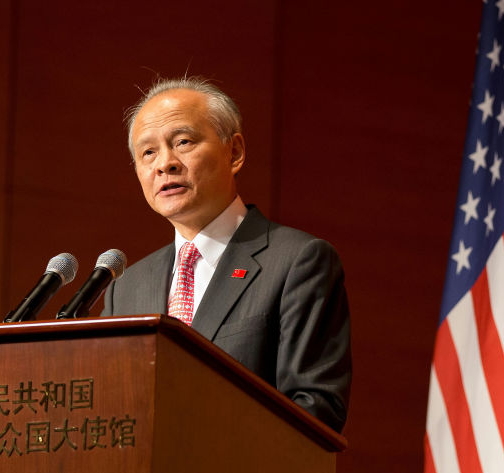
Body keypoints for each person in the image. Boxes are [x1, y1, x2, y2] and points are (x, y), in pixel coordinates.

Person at [102, 77, 351, 432]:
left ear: (234, 152)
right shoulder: (125, 287)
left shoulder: (298, 262)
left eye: (183, 142)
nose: (165, 164)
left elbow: (314, 410)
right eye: (148, 153)